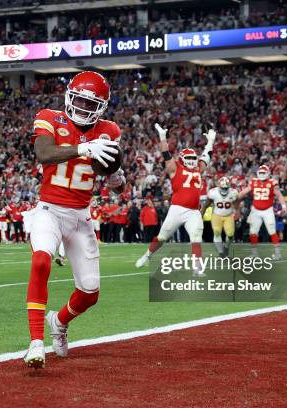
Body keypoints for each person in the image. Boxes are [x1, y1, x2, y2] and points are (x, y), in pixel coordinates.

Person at [24, 71, 123, 369]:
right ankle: (36, 343)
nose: (82, 107)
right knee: (41, 261)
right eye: (78, 100)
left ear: (102, 107)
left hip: (81, 217)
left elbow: (111, 173)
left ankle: (60, 321)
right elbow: (43, 153)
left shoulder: (109, 130)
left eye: (89, 103)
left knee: (90, 293)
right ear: (69, 96)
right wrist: (82, 147)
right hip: (49, 211)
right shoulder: (50, 117)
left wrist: (117, 177)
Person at [135, 123, 216, 275]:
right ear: (182, 158)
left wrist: (210, 142)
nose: (192, 160)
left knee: (196, 238)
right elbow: (166, 153)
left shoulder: (199, 168)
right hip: (177, 209)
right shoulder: (175, 167)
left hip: (193, 211)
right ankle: (147, 255)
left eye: (193, 157)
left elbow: (207, 156)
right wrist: (162, 137)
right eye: (189, 157)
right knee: (162, 237)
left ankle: (197, 269)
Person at [237, 165, 287, 260]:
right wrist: (235, 198)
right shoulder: (254, 182)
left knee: (272, 231)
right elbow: (244, 192)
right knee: (253, 232)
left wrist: (284, 206)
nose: (262, 174)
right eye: (261, 173)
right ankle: (254, 253)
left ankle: (278, 253)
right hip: (256, 210)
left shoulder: (272, 182)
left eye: (264, 173)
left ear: (268, 173)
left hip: (268, 210)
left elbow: (279, 195)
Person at [201, 176, 239, 257]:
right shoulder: (213, 192)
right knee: (217, 232)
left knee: (230, 235)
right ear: (219, 186)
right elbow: (206, 205)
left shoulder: (233, 192)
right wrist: (201, 213)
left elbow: (236, 205)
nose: (224, 190)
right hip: (216, 215)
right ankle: (221, 252)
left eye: (226, 188)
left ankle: (226, 247)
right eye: (223, 188)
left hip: (228, 215)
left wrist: (238, 215)